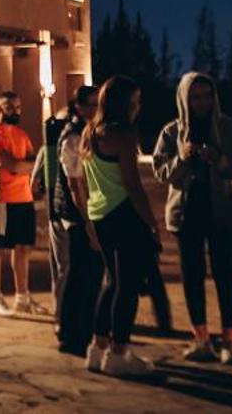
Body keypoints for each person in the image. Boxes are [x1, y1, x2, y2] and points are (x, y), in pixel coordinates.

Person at [152, 70, 232, 363]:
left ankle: (230, 342)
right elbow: (161, 172)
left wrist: (219, 160)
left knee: (225, 274)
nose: (202, 102)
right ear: (184, 98)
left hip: (224, 212)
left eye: (207, 96)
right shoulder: (171, 132)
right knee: (192, 276)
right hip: (187, 213)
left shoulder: (231, 128)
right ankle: (202, 339)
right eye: (195, 97)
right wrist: (181, 158)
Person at [80, 75, 164, 378]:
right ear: (125, 103)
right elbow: (132, 184)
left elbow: (86, 183)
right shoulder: (124, 135)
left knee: (112, 282)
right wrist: (152, 223)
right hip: (125, 216)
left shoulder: (90, 132)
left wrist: (90, 221)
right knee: (127, 287)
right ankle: (119, 354)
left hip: (101, 215)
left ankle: (97, 348)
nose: (138, 107)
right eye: (135, 101)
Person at [33, 83, 102, 354]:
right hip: (73, 215)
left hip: (76, 213)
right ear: (82, 107)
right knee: (74, 273)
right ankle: (68, 328)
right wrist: (87, 220)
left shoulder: (85, 133)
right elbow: (75, 183)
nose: (99, 109)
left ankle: (77, 327)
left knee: (80, 273)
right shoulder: (73, 136)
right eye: (94, 104)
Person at [0, 89, 44, 317]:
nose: (15, 111)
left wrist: (26, 165)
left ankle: (22, 297)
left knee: (24, 247)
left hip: (25, 198)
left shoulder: (21, 134)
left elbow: (33, 163)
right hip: (4, 198)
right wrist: (27, 165)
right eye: (10, 107)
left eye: (17, 107)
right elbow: (13, 165)